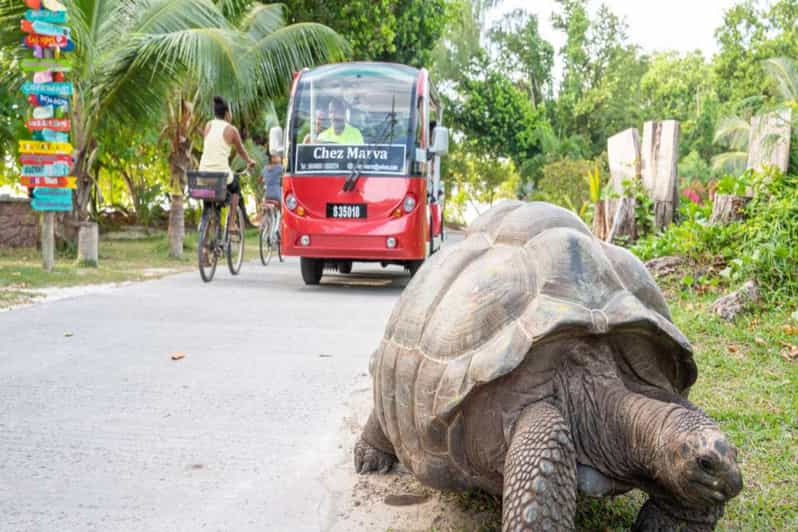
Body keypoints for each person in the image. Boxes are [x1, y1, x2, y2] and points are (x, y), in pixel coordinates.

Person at [198, 95, 256, 213]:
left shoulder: (208, 125)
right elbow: (241, 150)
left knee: (209, 198)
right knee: (235, 189)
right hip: (221, 175)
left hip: (203, 174)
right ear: (227, 113)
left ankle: (206, 224)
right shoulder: (231, 129)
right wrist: (249, 161)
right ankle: (232, 223)